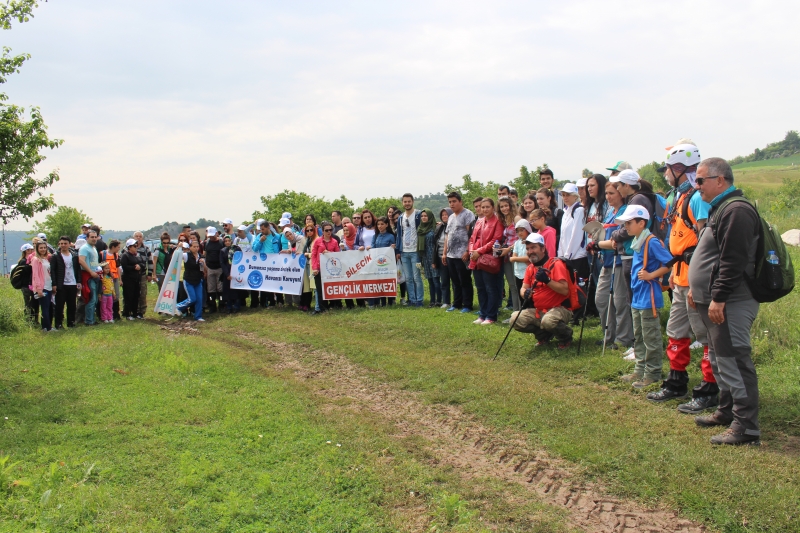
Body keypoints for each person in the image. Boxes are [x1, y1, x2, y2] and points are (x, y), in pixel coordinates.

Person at [688, 157, 761, 446]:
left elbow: (732, 261)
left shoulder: (737, 211)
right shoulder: (722, 209)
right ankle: (727, 410)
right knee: (721, 359)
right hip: (715, 300)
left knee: (735, 360)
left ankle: (746, 427)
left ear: (720, 180)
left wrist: (718, 297)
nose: (697, 186)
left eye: (701, 180)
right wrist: (699, 288)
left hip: (732, 300)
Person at [647, 143, 719, 411]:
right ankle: (676, 382)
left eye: (668, 168)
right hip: (679, 275)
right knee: (676, 331)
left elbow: (704, 241)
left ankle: (710, 388)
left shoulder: (697, 198)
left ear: (678, 169)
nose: (665, 173)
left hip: (694, 277)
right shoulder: (680, 195)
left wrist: (697, 281)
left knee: (705, 334)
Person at [615, 206, 672, 389]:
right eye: (625, 223)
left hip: (649, 298)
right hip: (638, 297)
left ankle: (653, 373)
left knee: (650, 337)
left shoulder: (651, 241)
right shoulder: (638, 241)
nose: (626, 227)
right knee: (639, 336)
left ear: (642, 223)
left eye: (629, 223)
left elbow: (669, 263)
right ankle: (640, 370)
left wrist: (651, 275)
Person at [608, 169, 657, 360]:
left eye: (619, 186)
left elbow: (628, 230)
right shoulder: (641, 198)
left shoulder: (637, 200)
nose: (618, 189)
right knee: (633, 303)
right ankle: (639, 345)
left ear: (627, 185)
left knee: (636, 303)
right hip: (633, 254)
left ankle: (641, 348)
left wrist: (614, 235)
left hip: (634, 255)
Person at [510, 233, 573, 349]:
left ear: (543, 248)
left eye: (533, 247)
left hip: (560, 308)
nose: (530, 251)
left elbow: (565, 291)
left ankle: (566, 337)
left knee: (548, 321)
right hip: (540, 310)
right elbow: (523, 288)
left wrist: (547, 280)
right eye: (528, 249)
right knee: (515, 319)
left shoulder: (556, 264)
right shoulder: (530, 268)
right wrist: (525, 293)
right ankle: (543, 335)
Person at [591, 181, 634, 351]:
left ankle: (623, 339)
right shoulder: (610, 211)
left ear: (621, 194)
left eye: (612, 193)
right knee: (601, 299)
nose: (608, 197)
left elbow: (617, 241)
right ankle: (609, 335)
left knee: (620, 301)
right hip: (606, 261)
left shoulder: (624, 212)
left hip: (619, 260)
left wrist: (598, 244)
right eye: (607, 193)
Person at [468, 198, 504, 325]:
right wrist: (472, 251)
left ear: (493, 207)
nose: (484, 209)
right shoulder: (479, 221)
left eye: (487, 207)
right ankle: (482, 314)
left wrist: (480, 251)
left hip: (488, 258)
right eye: (482, 207)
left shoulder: (497, 221)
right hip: (476, 258)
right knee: (480, 287)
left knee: (490, 288)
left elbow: (496, 239)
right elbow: (472, 238)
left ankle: (491, 315)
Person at [442, 191, 476, 313]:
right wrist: (445, 253)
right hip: (451, 255)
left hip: (463, 254)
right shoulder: (450, 217)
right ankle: (456, 303)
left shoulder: (468, 214)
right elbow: (447, 236)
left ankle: (467, 304)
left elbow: (471, 235)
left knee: (465, 281)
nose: (452, 204)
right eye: (450, 202)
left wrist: (468, 251)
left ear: (460, 202)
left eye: (454, 201)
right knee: (455, 281)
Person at [395, 193, 425, 307]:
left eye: (409, 201)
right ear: (402, 203)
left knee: (417, 277)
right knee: (408, 278)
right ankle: (411, 299)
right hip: (404, 252)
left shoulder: (418, 215)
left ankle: (419, 300)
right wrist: (398, 250)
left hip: (415, 251)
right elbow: (399, 235)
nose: (407, 203)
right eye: (405, 201)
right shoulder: (401, 218)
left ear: (413, 202)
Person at [558, 183, 589, 279]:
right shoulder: (565, 212)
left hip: (577, 257)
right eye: (563, 195)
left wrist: (568, 255)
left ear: (575, 196)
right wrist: (560, 255)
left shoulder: (579, 210)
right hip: (567, 258)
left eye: (568, 195)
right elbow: (562, 236)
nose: (565, 197)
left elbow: (577, 235)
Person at [311, 222, 340, 314]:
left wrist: (329, 253)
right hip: (319, 269)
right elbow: (314, 255)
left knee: (330, 288)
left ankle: (333, 306)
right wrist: (315, 268)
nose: (329, 232)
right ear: (322, 231)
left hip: (331, 269)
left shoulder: (335, 242)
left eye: (330, 230)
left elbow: (338, 256)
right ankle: (322, 308)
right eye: (326, 230)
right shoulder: (317, 241)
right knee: (320, 289)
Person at [51, 236, 80, 330]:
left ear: (69, 244)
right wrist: (54, 284)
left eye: (65, 243)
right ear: (59, 244)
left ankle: (71, 322)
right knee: (60, 305)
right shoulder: (55, 256)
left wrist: (79, 282)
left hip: (72, 283)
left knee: (72, 305)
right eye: (61, 243)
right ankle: (58, 324)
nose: (63, 245)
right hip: (61, 284)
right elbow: (53, 271)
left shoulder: (74, 255)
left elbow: (77, 270)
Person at [497, 196, 520, 312]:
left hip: (515, 255)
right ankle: (515, 312)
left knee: (517, 285)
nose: (504, 208)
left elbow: (522, 238)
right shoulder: (504, 220)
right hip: (506, 255)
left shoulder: (516, 218)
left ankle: (519, 311)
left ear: (511, 206)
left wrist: (509, 249)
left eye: (506, 205)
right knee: (511, 285)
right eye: (501, 207)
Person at [508, 219, 533, 322]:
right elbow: (512, 258)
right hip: (518, 273)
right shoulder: (517, 243)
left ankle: (531, 316)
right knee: (521, 295)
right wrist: (519, 259)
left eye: (522, 230)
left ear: (527, 229)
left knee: (529, 296)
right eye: (517, 231)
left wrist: (516, 259)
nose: (520, 233)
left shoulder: (531, 241)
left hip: (528, 274)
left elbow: (528, 259)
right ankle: (524, 317)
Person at [176, 240, 205, 322]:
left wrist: (203, 263)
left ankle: (198, 316)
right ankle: (177, 306)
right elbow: (175, 256)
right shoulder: (186, 255)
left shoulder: (201, 256)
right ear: (190, 247)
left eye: (197, 247)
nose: (196, 248)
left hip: (198, 280)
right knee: (192, 299)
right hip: (188, 280)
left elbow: (204, 269)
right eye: (194, 247)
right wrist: (179, 247)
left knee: (199, 299)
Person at [29, 241, 54, 332]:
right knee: (44, 307)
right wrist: (39, 289)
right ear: (37, 249)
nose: (43, 249)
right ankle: (46, 327)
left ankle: (47, 326)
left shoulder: (46, 259)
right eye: (41, 248)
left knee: (48, 306)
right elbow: (35, 275)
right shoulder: (36, 260)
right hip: (42, 287)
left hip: (49, 285)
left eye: (44, 247)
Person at [417, 209, 441, 308]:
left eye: (426, 216)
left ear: (430, 217)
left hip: (433, 256)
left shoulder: (435, 228)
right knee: (430, 280)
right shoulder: (420, 229)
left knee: (436, 280)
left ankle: (439, 301)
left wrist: (434, 260)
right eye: (422, 216)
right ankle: (432, 301)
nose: (423, 217)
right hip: (425, 257)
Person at [372, 216, 396, 307]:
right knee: (380, 282)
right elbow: (373, 247)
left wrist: (392, 248)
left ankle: (390, 301)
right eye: (378, 224)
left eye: (382, 224)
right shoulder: (375, 236)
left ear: (386, 225)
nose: (380, 226)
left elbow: (392, 249)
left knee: (388, 281)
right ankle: (382, 302)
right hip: (377, 263)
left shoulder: (391, 236)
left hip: (388, 263)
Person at [78, 230, 101, 326]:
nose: (94, 239)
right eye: (92, 237)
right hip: (88, 276)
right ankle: (89, 321)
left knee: (94, 299)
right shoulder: (84, 248)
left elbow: (92, 262)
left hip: (95, 275)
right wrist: (90, 272)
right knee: (91, 299)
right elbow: (81, 261)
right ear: (87, 238)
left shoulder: (94, 248)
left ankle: (91, 318)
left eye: (95, 237)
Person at [119, 238, 144, 320]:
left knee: (136, 296)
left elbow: (142, 263)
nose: (136, 247)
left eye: (136, 245)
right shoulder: (125, 255)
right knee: (128, 296)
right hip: (128, 279)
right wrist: (134, 267)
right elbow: (124, 267)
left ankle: (134, 312)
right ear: (129, 247)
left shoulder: (137, 255)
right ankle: (127, 313)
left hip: (136, 279)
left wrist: (139, 266)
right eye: (134, 246)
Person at [434, 208, 452, 309]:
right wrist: (434, 260)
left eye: (447, 214)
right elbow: (435, 245)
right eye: (443, 215)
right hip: (441, 257)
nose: (445, 216)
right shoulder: (439, 227)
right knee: (444, 281)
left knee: (455, 281)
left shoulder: (454, 226)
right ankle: (446, 301)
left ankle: (457, 301)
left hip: (452, 257)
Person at [100, 239, 122, 321]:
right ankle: (104, 315)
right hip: (106, 279)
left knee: (116, 295)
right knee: (105, 296)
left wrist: (120, 279)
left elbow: (118, 267)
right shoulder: (103, 254)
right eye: (118, 247)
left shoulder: (116, 255)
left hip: (115, 278)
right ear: (113, 247)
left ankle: (115, 314)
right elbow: (99, 265)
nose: (119, 249)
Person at [203, 227, 224, 313]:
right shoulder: (207, 243)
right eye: (209, 236)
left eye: (212, 235)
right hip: (210, 268)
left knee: (220, 289)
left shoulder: (221, 242)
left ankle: (222, 304)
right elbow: (204, 254)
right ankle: (212, 306)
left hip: (219, 267)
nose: (211, 237)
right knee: (211, 289)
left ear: (216, 233)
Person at [16, 244, 37, 323]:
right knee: (28, 303)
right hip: (25, 285)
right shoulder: (23, 261)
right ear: (25, 251)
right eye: (28, 250)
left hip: (32, 284)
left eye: (32, 249)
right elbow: (26, 272)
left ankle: (34, 319)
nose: (31, 251)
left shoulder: (31, 259)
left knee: (34, 303)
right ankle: (28, 319)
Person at [133, 232, 152, 319]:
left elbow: (150, 262)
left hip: (143, 275)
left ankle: (141, 312)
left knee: (143, 293)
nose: (138, 238)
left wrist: (150, 274)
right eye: (136, 236)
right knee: (133, 293)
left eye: (140, 237)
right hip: (132, 275)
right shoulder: (127, 248)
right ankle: (133, 310)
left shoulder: (146, 249)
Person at [220, 235, 240, 314]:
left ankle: (236, 306)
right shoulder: (222, 251)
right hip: (227, 273)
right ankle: (229, 307)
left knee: (236, 291)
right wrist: (227, 274)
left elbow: (241, 259)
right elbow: (222, 263)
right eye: (226, 241)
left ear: (231, 241)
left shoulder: (236, 249)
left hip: (236, 272)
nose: (227, 242)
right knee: (227, 291)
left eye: (229, 241)